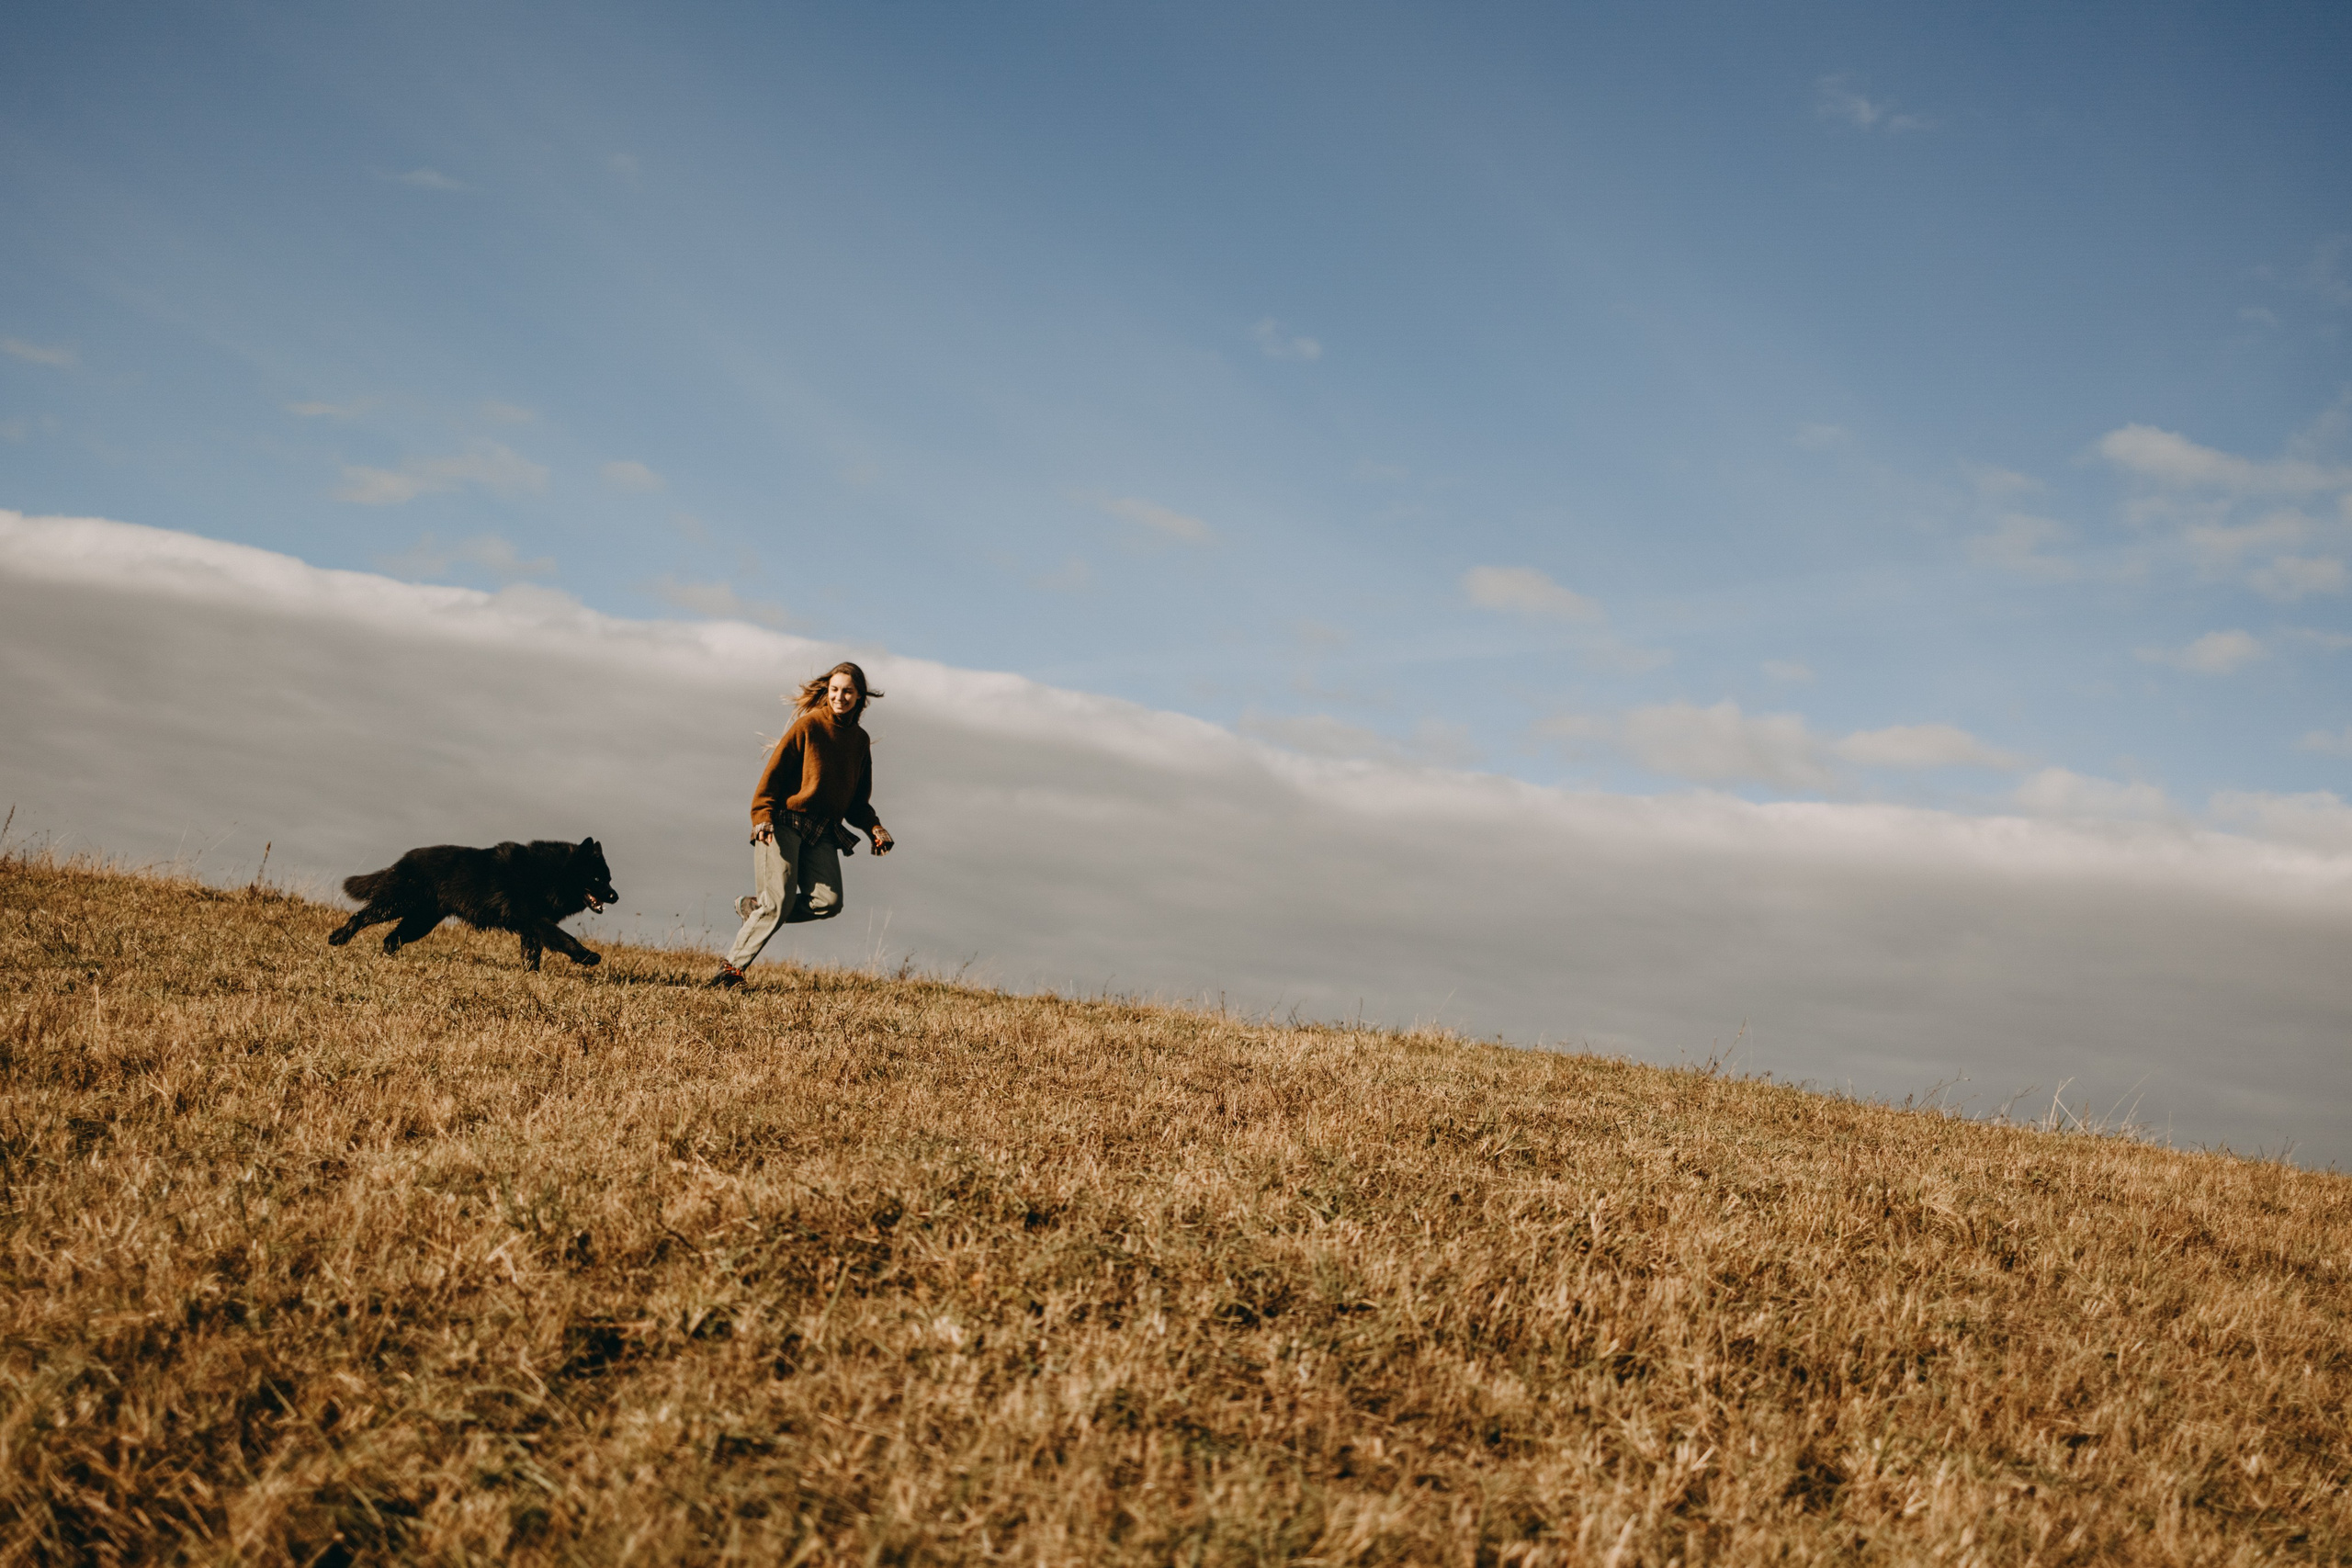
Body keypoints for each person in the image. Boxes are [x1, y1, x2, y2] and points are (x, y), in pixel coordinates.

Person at [705, 661, 894, 988]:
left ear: (860, 696)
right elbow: (772, 776)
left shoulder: (859, 742)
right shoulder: (809, 726)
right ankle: (731, 970)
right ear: (827, 691)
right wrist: (761, 815)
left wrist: (874, 827)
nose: (840, 697)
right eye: (835, 690)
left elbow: (857, 803)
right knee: (778, 902)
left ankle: (756, 909)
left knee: (828, 902)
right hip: (783, 820)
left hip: (822, 830)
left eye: (848, 691)